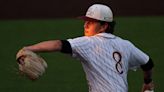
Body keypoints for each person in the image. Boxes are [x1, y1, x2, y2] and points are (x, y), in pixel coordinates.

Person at [19, 4, 154, 92]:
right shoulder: (126, 45)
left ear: (104, 26)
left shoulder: (89, 43)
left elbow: (58, 44)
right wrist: (147, 82)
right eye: (85, 22)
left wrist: (29, 48)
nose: (85, 25)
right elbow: (148, 63)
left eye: (90, 22)